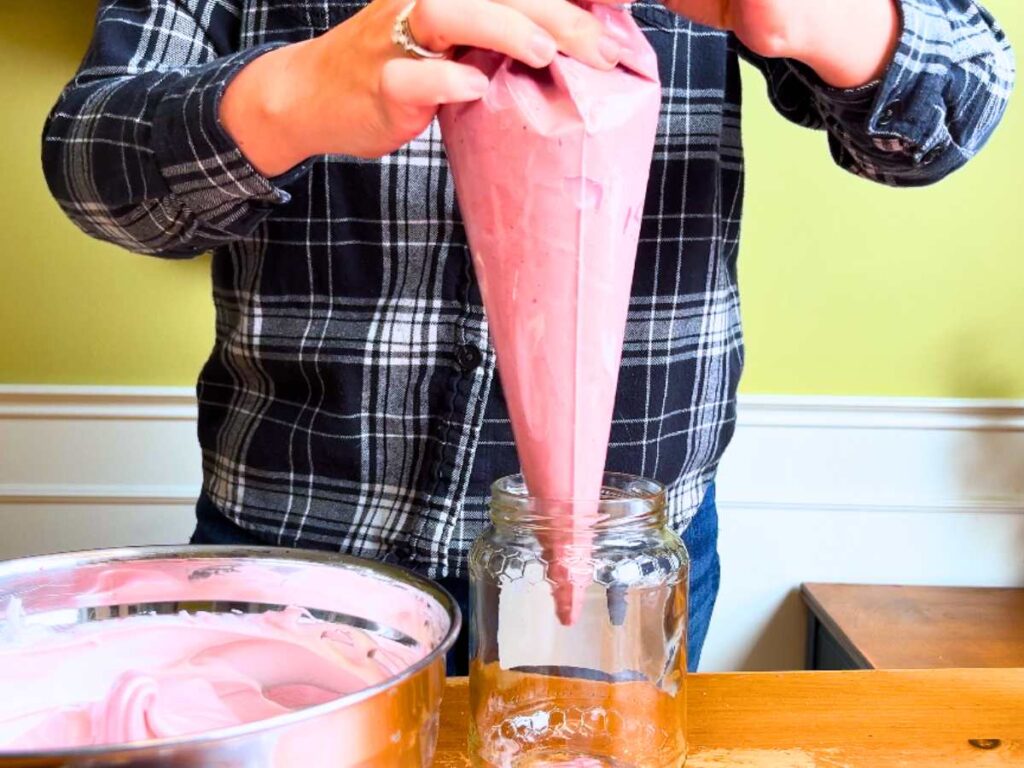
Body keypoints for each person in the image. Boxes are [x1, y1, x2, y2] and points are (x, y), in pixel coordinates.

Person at [43, 0, 1013, 674]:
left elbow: (963, 100)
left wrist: (825, 20)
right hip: (294, 552)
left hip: (623, 558)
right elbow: (91, 160)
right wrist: (290, 92)